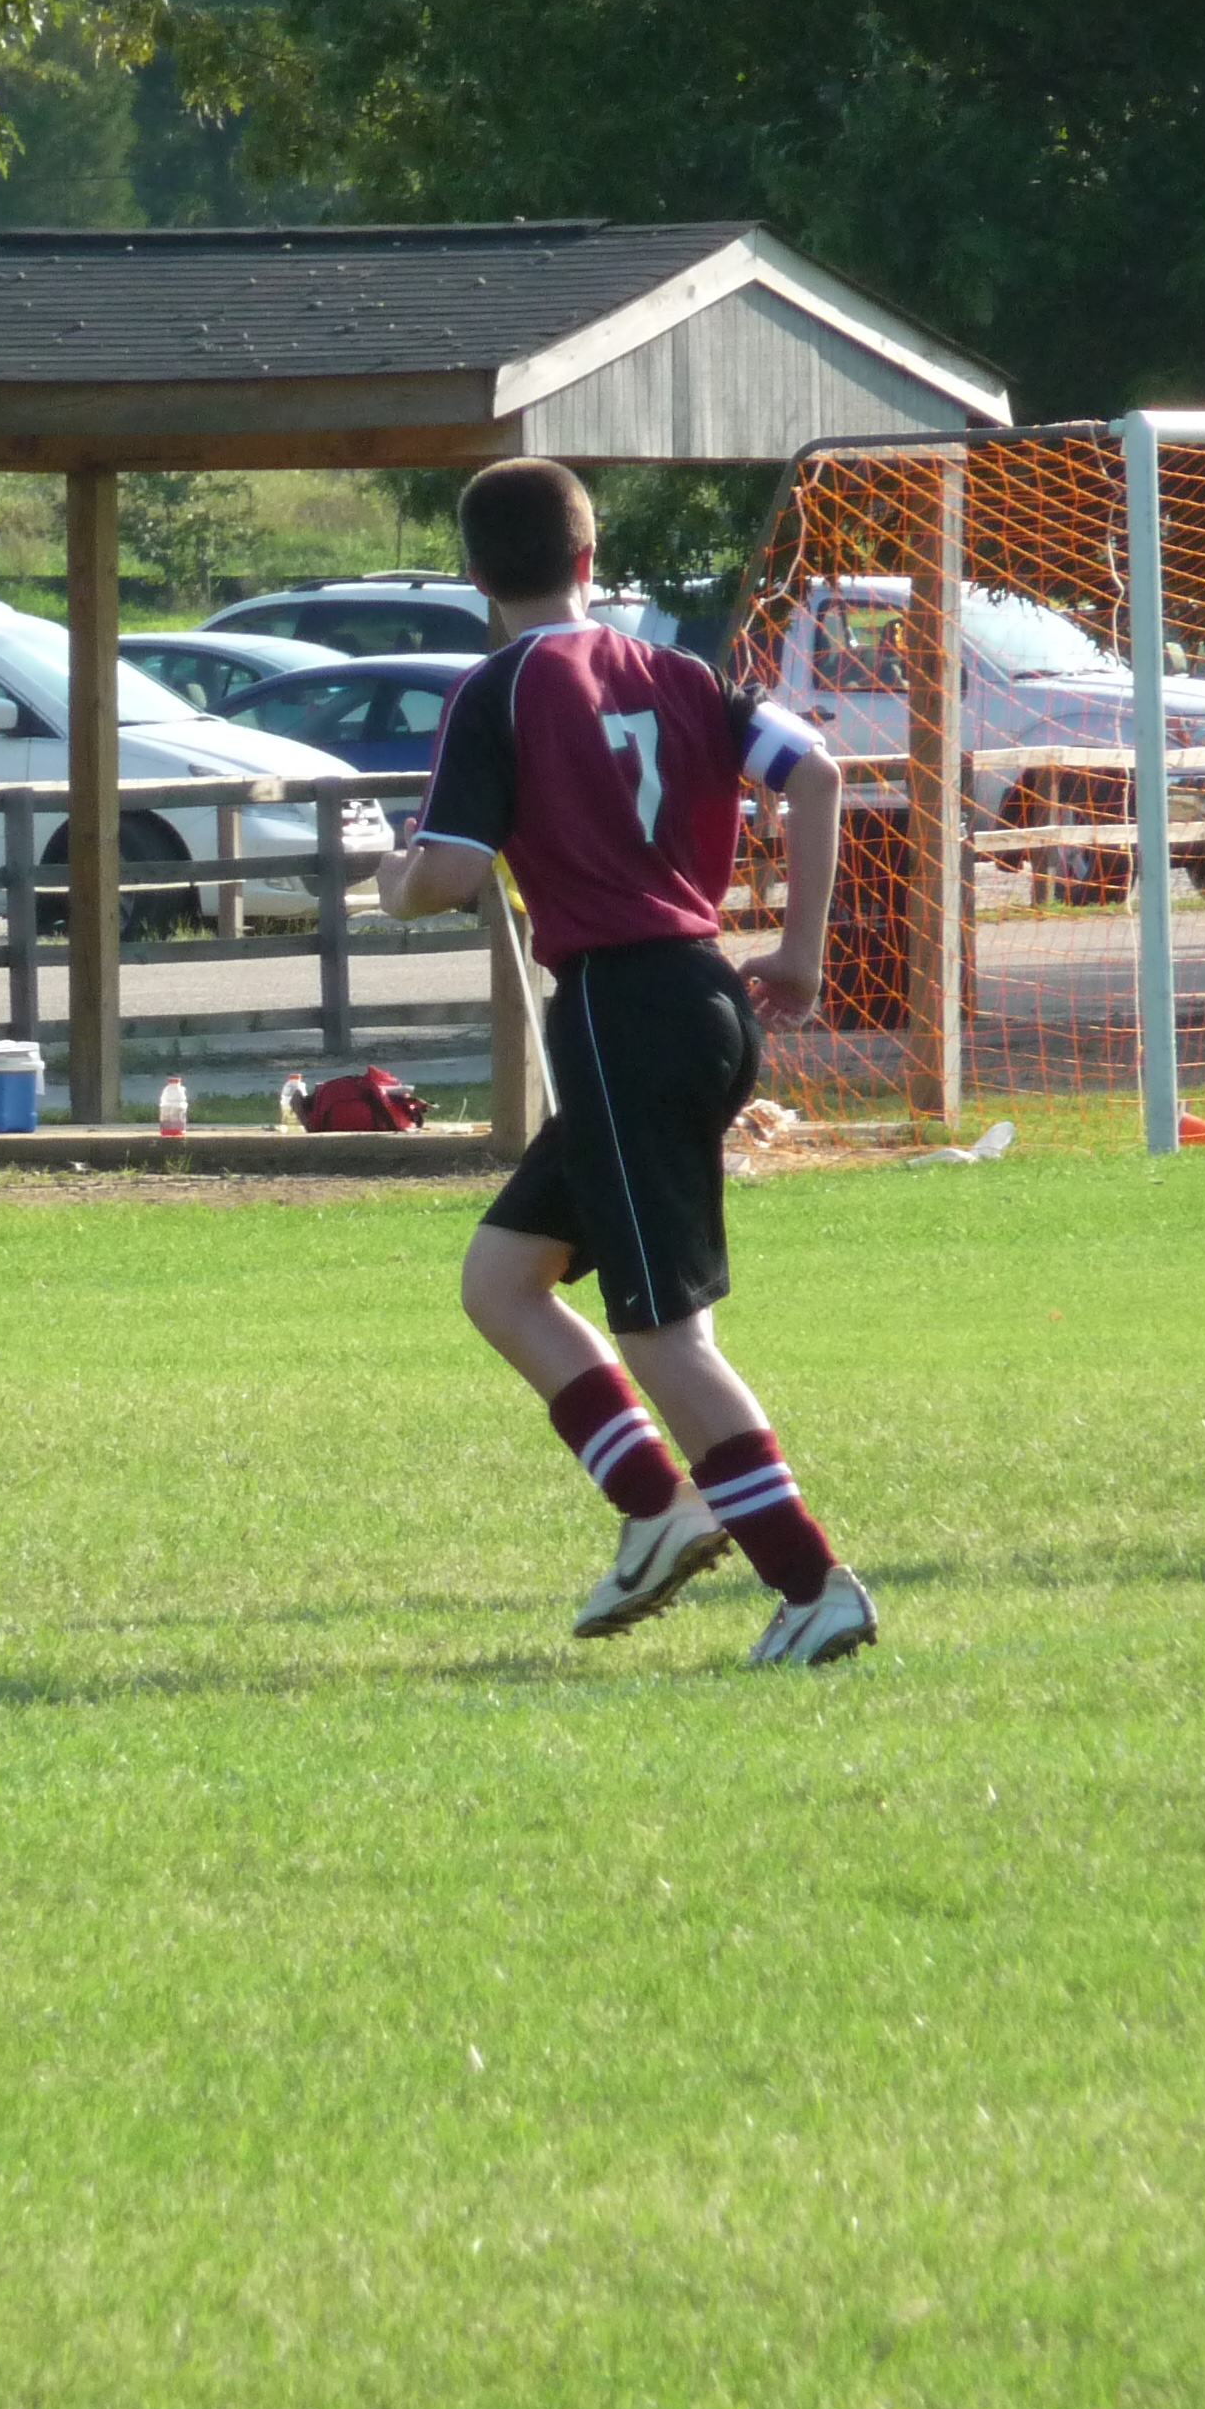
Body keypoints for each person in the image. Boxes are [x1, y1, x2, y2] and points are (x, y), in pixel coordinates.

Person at [371, 458, 876, 1665]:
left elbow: (447, 873)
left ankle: (813, 1585)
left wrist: (391, 878)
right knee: (503, 1280)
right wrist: (801, 951)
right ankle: (658, 1507)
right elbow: (817, 771)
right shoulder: (683, 673)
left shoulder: (498, 687)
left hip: (620, 1008)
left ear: (476, 576)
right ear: (591, 562)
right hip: (701, 994)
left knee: (664, 1334)